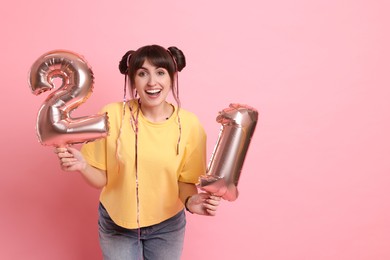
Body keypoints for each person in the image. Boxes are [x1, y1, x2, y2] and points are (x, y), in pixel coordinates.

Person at [55, 44, 221, 260]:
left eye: (160, 72)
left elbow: (185, 181)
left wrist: (191, 202)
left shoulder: (189, 125)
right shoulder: (111, 115)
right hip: (116, 223)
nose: (152, 82)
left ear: (172, 76)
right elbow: (101, 179)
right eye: (142, 73)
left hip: (167, 226)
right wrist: (83, 166)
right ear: (133, 80)